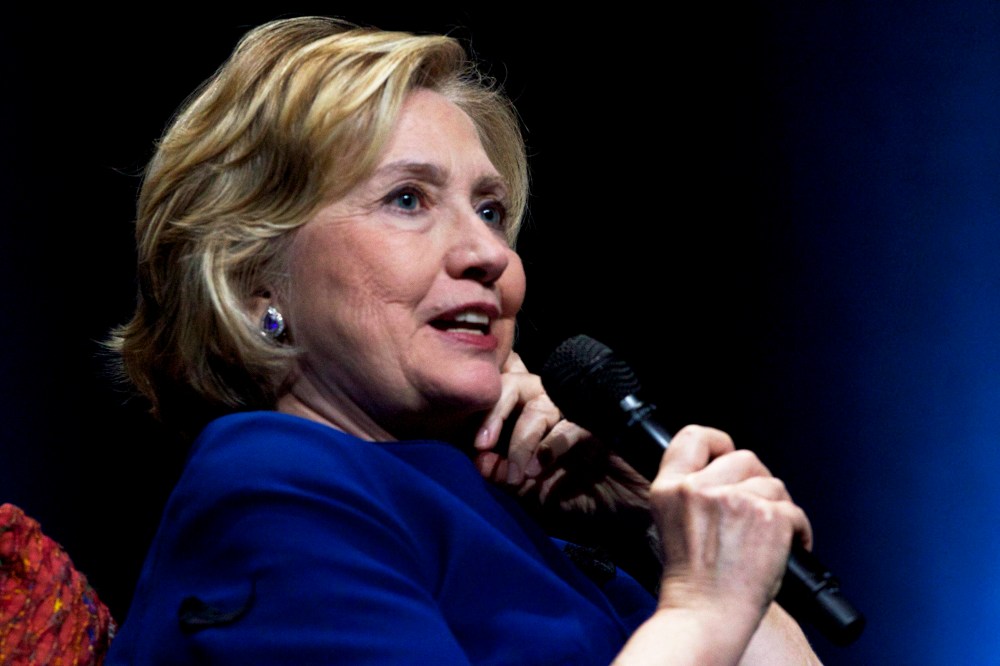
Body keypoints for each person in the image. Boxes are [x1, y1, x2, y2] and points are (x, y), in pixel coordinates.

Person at [101, 15, 822, 664]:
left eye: (489, 210)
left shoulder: (531, 528)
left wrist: (665, 533)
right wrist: (701, 607)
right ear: (256, 281)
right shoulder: (270, 487)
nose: (490, 254)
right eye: (407, 199)